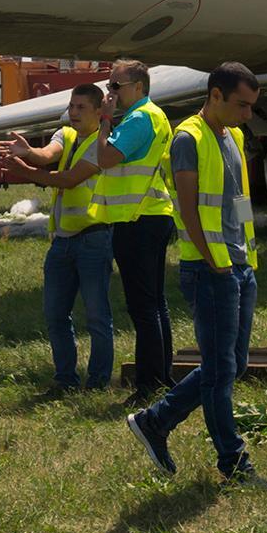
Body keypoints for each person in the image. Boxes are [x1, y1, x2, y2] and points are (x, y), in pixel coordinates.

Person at [126, 62, 267, 490]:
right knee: (220, 370)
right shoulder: (187, 138)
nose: (248, 115)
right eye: (242, 105)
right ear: (216, 95)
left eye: (251, 107)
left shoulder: (236, 136)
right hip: (210, 269)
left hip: (238, 264)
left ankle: (156, 421)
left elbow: (240, 198)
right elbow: (187, 209)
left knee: (231, 364)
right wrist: (214, 261)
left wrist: (245, 253)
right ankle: (233, 461)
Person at [2, 84, 115, 394]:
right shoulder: (65, 135)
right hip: (62, 241)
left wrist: (24, 170)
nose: (73, 113)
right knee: (55, 314)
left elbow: (68, 178)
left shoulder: (102, 144)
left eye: (81, 107)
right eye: (71, 106)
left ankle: (98, 381)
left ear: (97, 111)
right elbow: (46, 155)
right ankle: (65, 379)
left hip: (94, 238)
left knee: (97, 316)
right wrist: (29, 153)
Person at [100, 59, 177, 408]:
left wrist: (104, 121)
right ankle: (161, 377)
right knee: (155, 304)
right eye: (110, 85)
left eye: (116, 86)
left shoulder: (139, 119)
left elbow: (105, 158)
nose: (110, 92)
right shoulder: (153, 116)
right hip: (151, 215)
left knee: (143, 307)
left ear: (138, 87)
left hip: (138, 220)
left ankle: (148, 385)